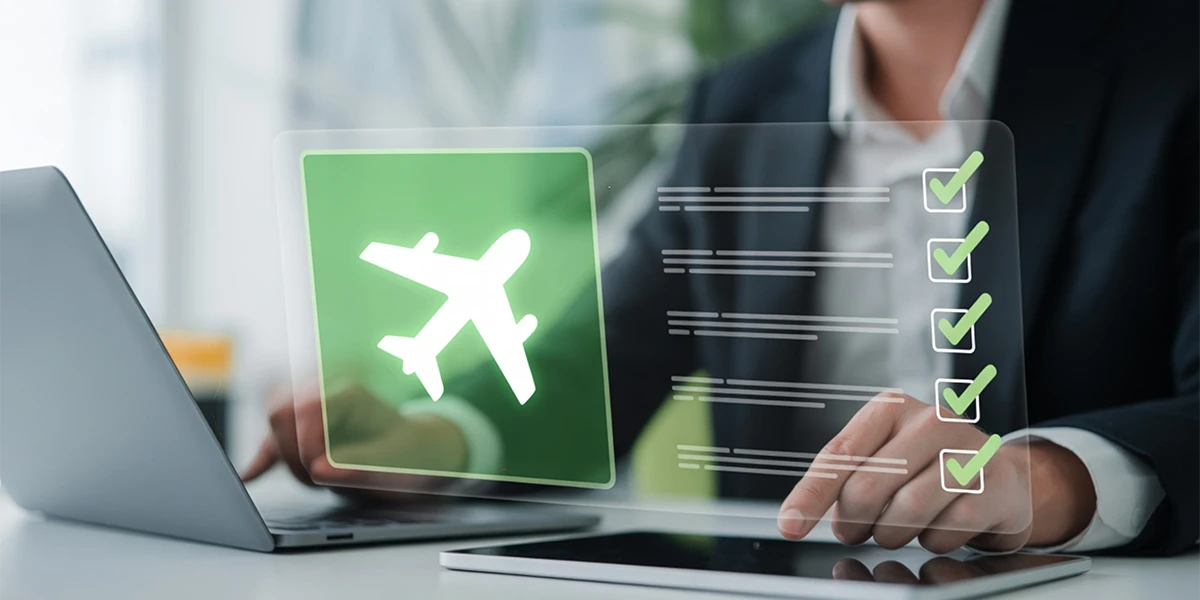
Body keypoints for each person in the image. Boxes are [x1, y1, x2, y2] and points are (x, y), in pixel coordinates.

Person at [244, 0, 1200, 556]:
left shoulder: (1172, 65)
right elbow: (607, 355)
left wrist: (1049, 477)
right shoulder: (744, 102)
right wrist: (434, 436)